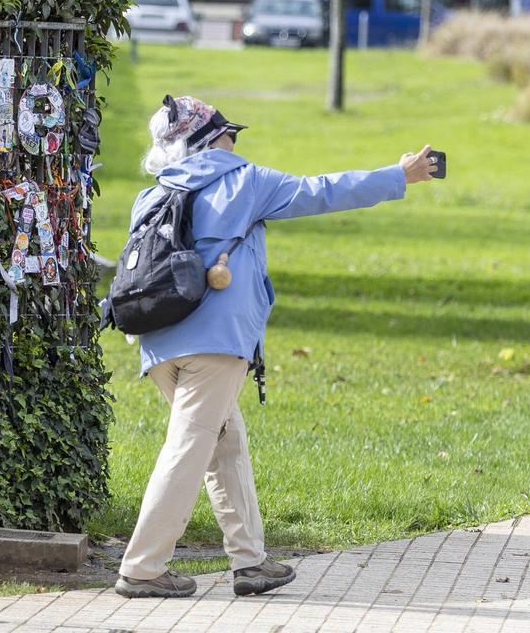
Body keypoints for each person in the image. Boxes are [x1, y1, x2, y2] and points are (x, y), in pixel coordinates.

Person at [115, 95, 437, 600]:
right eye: (228, 134)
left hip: (157, 342)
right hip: (215, 344)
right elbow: (322, 191)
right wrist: (398, 176)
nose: (233, 142)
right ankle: (142, 568)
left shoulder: (151, 195)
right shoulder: (246, 182)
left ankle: (250, 561)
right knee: (188, 449)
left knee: (225, 442)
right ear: (209, 141)